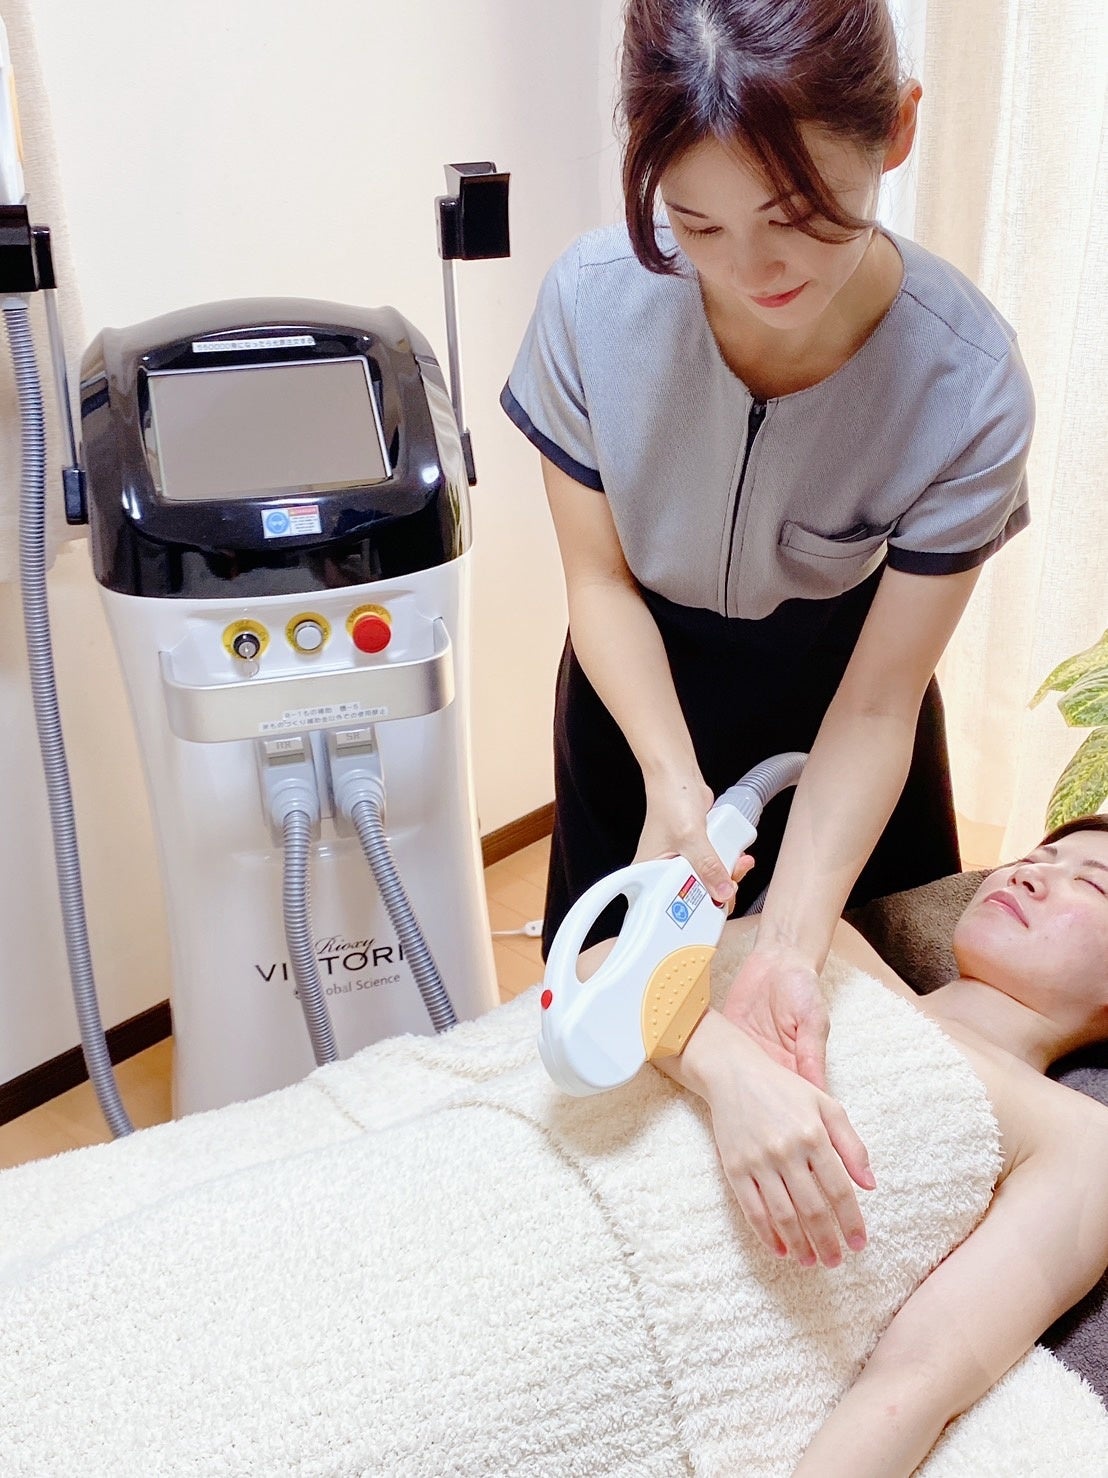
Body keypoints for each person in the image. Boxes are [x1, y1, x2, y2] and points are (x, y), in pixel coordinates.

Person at [501, 0, 1034, 1101]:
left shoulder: (967, 384)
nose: (751, 267)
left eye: (794, 212)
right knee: (613, 1059)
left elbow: (880, 702)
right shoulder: (592, 306)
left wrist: (790, 943)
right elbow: (599, 581)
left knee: (873, 1068)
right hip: (637, 704)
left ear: (896, 129)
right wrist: (668, 776)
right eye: (695, 224)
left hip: (848, 709)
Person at [643, 814, 1108, 1475]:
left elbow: (914, 1381)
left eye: (1091, 885)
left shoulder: (1077, 1140)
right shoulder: (831, 950)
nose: (1030, 875)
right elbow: (601, 969)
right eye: (1038, 857)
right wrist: (730, 1074)